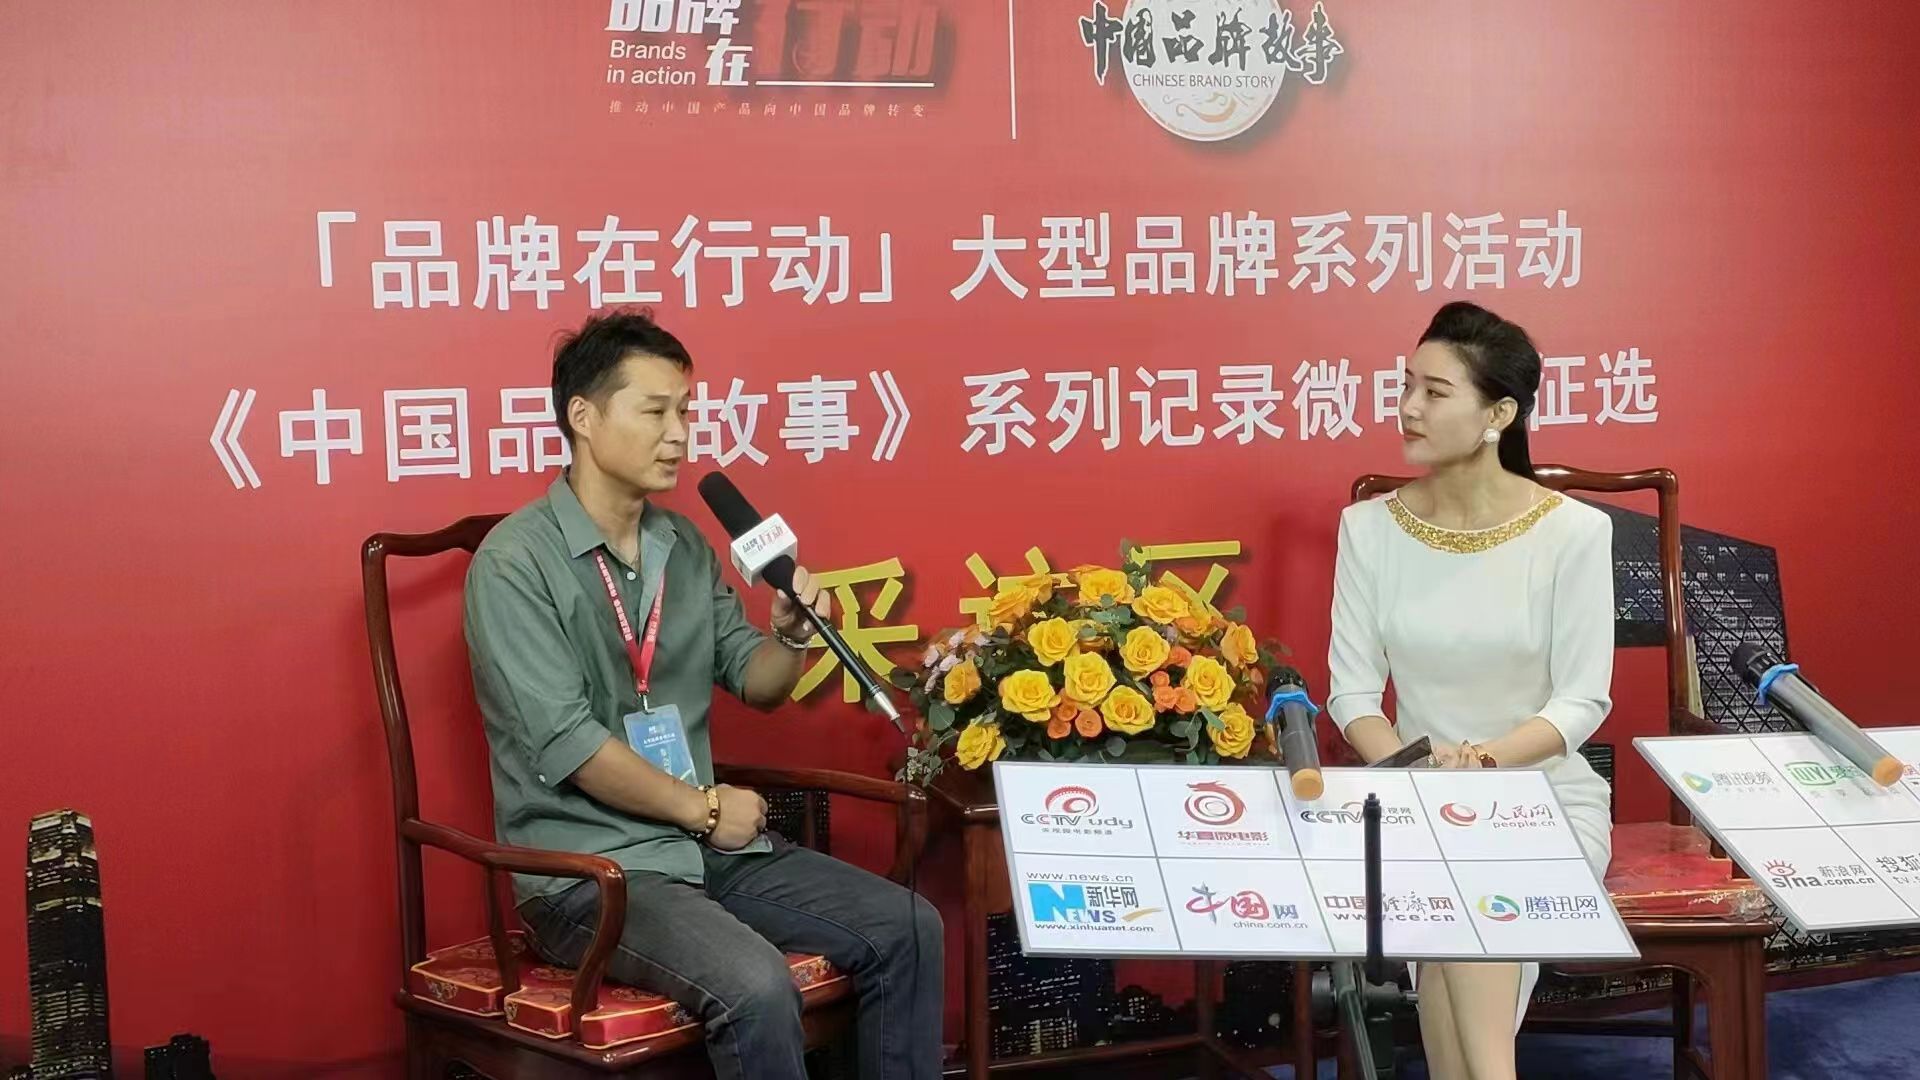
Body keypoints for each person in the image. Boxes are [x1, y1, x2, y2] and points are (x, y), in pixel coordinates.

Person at [463, 309, 943, 1080]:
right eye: (655, 412)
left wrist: (791, 635)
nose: (679, 434)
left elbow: (757, 681)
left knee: (910, 927)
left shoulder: (682, 544)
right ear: (583, 416)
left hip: (702, 847)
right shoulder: (514, 562)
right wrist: (707, 810)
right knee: (756, 986)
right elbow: (569, 745)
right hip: (591, 874)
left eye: (685, 411)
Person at [1326, 301, 1615, 1080]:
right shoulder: (1368, 529)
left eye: (1435, 392)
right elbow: (1352, 696)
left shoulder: (1574, 532)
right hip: (1411, 796)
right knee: (1458, 866)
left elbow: (1581, 702)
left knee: (1473, 871)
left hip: (1542, 797)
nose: (1408, 408)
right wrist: (1420, 774)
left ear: (1499, 414)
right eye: (1405, 386)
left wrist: (1482, 765)